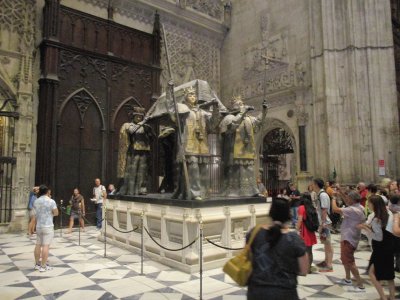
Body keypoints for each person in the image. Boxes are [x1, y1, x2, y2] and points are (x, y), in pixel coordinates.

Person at [247, 198, 308, 300]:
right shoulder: (293, 239)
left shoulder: (254, 233)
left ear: (270, 213)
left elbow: (249, 260)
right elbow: (303, 270)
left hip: (256, 291)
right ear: (288, 215)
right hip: (284, 292)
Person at [172, 86, 220, 200]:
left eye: (194, 95)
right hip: (188, 145)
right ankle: (195, 193)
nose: (193, 97)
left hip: (201, 144)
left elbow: (213, 125)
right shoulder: (183, 110)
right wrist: (170, 91)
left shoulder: (203, 112)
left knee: (203, 170)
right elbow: (173, 114)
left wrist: (215, 108)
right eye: (190, 95)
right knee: (193, 169)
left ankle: (204, 192)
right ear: (185, 98)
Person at [220, 95, 267, 197]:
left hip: (247, 149)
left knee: (249, 170)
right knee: (236, 170)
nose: (242, 105)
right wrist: (242, 113)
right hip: (234, 150)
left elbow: (258, 122)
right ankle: (234, 191)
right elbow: (231, 127)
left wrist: (264, 111)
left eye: (242, 103)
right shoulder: (229, 117)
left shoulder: (248, 119)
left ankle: (253, 191)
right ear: (233, 107)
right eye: (239, 104)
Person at [359, 195, 395, 300]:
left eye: (369, 203)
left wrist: (366, 228)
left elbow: (378, 237)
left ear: (374, 204)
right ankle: (392, 297)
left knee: (371, 273)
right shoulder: (388, 214)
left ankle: (383, 297)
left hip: (380, 249)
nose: (368, 205)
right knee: (389, 275)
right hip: (389, 247)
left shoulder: (376, 219)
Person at [331, 190, 366, 292]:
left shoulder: (353, 210)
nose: (347, 200)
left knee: (350, 262)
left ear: (352, 200)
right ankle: (348, 279)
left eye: (348, 198)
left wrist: (333, 198)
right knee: (345, 259)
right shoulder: (359, 206)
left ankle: (360, 284)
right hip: (349, 236)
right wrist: (341, 193)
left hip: (349, 238)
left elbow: (335, 209)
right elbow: (347, 201)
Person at [118, 107, 154, 195]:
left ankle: (141, 188)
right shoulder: (129, 125)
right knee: (132, 171)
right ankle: (130, 190)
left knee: (142, 171)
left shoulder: (145, 126)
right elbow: (131, 131)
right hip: (133, 151)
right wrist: (143, 122)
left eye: (140, 117)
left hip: (144, 150)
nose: (138, 118)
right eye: (137, 116)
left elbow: (152, 137)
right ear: (133, 117)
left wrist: (149, 131)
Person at [33, 185, 58, 272]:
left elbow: (35, 213)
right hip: (48, 226)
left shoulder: (36, 201)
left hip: (39, 225)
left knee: (38, 244)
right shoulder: (51, 201)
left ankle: (37, 264)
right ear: (47, 192)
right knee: (46, 246)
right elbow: (56, 213)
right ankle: (43, 266)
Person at [313, 178, 333, 272]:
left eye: (313, 184)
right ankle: (326, 261)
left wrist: (323, 223)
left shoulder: (323, 195)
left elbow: (324, 209)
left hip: (325, 223)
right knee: (325, 242)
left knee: (328, 243)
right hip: (323, 222)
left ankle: (329, 265)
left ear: (316, 184)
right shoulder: (320, 194)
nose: (312, 185)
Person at [296, 193, 317, 273]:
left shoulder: (301, 207)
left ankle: (303, 269)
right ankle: (308, 269)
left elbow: (300, 220)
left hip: (304, 231)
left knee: (302, 252)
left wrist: (296, 229)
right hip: (310, 231)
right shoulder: (312, 207)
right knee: (309, 251)